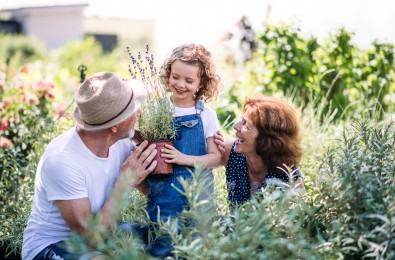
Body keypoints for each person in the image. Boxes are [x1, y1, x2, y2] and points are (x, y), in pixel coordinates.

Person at [22, 72, 158, 260]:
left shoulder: (121, 141)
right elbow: (90, 240)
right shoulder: (62, 160)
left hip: (102, 233)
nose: (139, 112)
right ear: (114, 125)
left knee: (161, 237)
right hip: (52, 246)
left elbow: (151, 190)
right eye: (132, 110)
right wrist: (124, 182)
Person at [144, 43, 222, 257]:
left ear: (201, 83)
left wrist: (182, 158)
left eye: (189, 81)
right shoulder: (157, 109)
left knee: (196, 248)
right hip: (164, 192)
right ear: (168, 74)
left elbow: (215, 158)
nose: (180, 84)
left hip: (199, 195)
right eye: (175, 77)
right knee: (163, 245)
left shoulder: (206, 115)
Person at [214, 95, 304, 206]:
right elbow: (196, 164)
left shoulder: (289, 176)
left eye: (246, 125)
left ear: (266, 138)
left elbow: (300, 218)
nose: (235, 126)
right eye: (241, 120)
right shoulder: (230, 152)